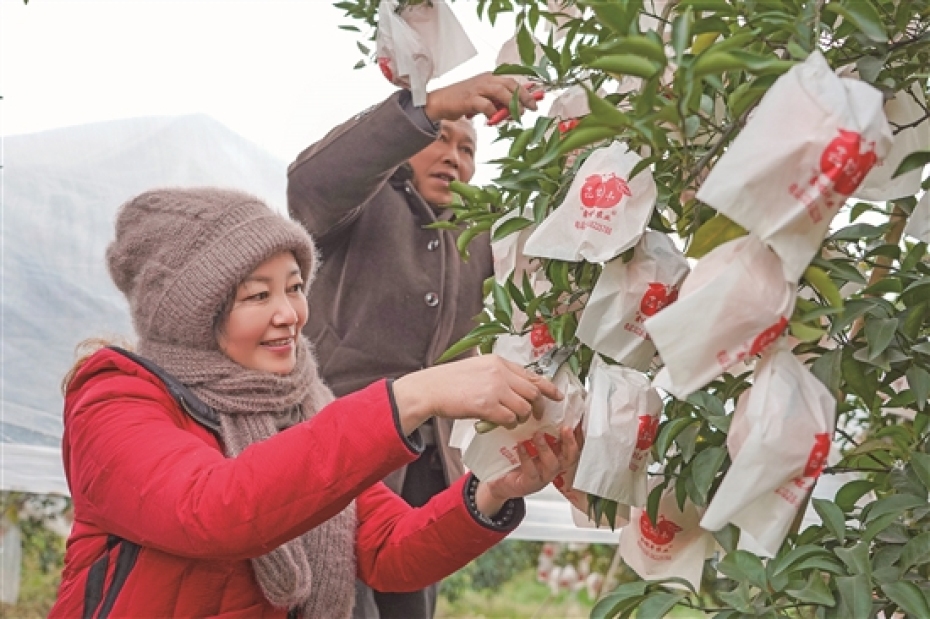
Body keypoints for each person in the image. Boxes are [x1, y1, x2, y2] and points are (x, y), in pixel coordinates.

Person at [49, 187, 581, 618]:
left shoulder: (303, 405)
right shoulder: (116, 398)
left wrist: (491, 491)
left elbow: (388, 548)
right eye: (259, 295)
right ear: (194, 314)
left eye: (296, 287)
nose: (291, 314)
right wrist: (413, 394)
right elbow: (214, 510)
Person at [287, 72, 540, 618]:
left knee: (409, 599)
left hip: (430, 464)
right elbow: (314, 182)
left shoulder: (481, 233)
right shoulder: (360, 206)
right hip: (339, 446)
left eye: (468, 149)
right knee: (333, 598)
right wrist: (424, 109)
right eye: (440, 138)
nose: (454, 157)